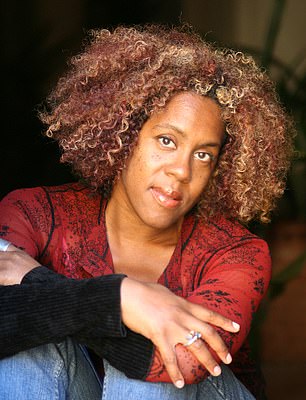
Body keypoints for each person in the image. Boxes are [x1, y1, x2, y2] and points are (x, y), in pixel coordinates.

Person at [0, 24, 293, 399]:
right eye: (166, 140)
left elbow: (184, 362)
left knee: (160, 363)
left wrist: (59, 288)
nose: (182, 171)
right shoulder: (36, 213)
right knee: (24, 343)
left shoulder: (236, 251)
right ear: (121, 136)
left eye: (203, 154)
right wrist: (121, 299)